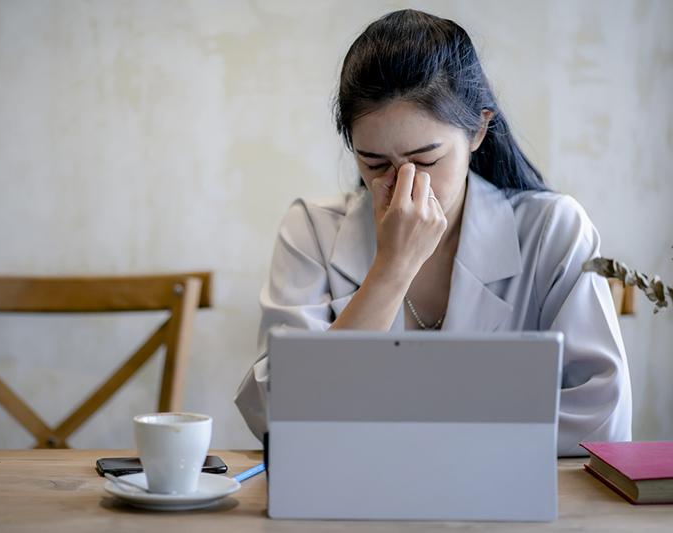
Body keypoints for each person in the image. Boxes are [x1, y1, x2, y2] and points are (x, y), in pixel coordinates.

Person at [233, 9, 632, 457]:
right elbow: (277, 415)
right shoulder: (311, 229)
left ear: (478, 130)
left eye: (425, 161)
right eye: (375, 164)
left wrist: (410, 431)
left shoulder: (553, 229)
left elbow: (602, 419)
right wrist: (391, 270)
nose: (403, 185)